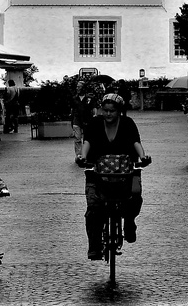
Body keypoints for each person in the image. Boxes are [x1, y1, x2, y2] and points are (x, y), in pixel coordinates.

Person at [77, 92, 149, 261]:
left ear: (119, 111)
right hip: (97, 173)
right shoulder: (94, 124)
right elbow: (87, 142)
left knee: (135, 197)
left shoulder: (128, 124)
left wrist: (143, 157)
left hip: (126, 173)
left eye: (112, 111)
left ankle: (129, 222)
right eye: (105, 110)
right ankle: (94, 246)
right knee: (94, 208)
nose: (108, 114)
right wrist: (82, 157)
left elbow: (135, 142)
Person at [71, 81, 97, 161]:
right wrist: (72, 121)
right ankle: (79, 155)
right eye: (77, 86)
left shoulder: (89, 98)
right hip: (77, 120)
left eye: (79, 87)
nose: (77, 88)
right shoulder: (74, 98)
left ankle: (86, 154)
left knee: (87, 138)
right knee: (77, 138)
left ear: (83, 88)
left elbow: (94, 107)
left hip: (87, 120)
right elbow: (72, 109)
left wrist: (95, 115)